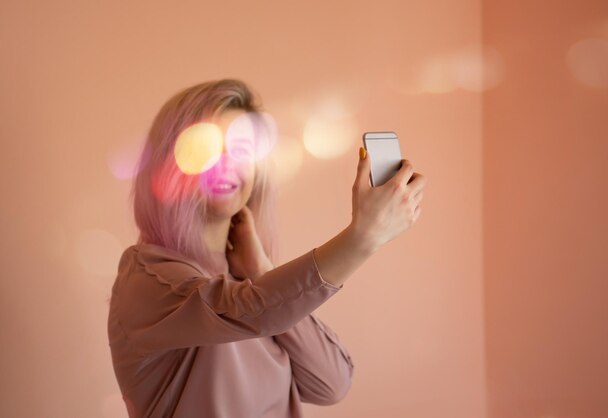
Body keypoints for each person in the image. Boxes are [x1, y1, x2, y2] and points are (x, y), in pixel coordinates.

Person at [107, 79, 427, 418]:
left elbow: (332, 382)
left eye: (242, 149)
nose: (227, 162)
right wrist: (363, 237)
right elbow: (245, 309)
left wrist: (261, 271)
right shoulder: (147, 277)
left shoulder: (257, 287)